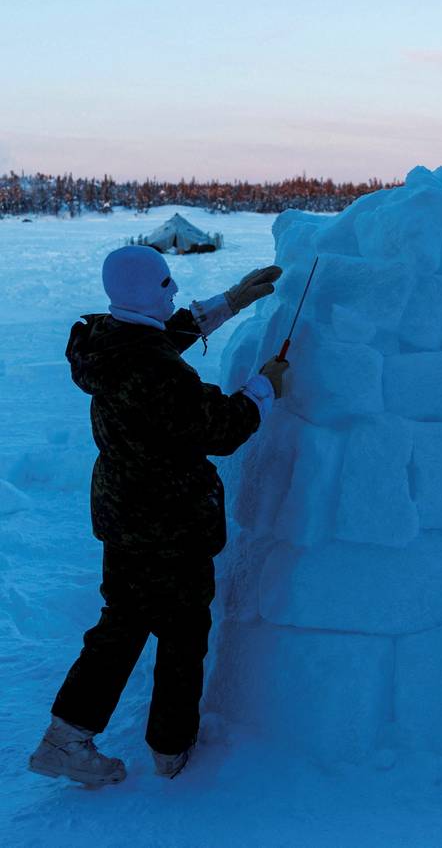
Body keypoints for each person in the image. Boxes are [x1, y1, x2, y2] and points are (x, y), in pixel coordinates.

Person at [28, 246, 288, 785]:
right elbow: (219, 427)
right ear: (145, 292)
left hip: (125, 514)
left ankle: (65, 737)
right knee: (183, 630)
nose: (174, 290)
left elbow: (155, 343)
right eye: (166, 283)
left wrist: (228, 302)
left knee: (123, 622)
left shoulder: (107, 342)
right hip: (170, 522)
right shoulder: (155, 372)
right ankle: (172, 747)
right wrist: (263, 387)